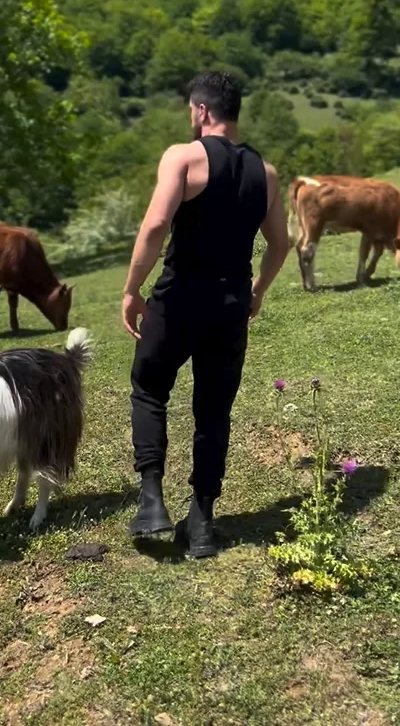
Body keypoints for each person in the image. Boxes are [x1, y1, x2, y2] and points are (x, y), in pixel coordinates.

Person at [121, 71, 289, 558]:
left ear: (201, 110)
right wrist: (257, 291)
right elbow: (280, 244)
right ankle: (201, 523)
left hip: (179, 299)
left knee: (149, 387)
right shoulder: (266, 173)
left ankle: (151, 500)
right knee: (213, 412)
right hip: (231, 305)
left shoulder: (183, 157)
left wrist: (132, 290)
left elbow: (156, 224)